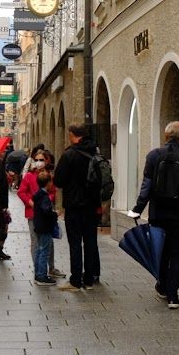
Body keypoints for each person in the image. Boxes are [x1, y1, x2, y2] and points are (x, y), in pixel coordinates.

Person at [131, 120, 179, 309]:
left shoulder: (153, 156)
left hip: (159, 213)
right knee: (177, 254)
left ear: (166, 135)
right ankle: (173, 296)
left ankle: (162, 286)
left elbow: (146, 186)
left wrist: (138, 209)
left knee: (161, 251)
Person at [52, 124, 103, 291]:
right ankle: (89, 279)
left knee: (75, 243)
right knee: (90, 242)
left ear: (72, 135)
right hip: (92, 205)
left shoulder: (69, 154)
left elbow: (58, 181)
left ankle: (75, 281)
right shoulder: (95, 152)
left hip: (74, 205)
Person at [16, 148, 57, 286]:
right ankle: (38, 270)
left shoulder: (49, 176)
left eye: (41, 160)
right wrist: (30, 202)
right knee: (36, 242)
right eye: (36, 160)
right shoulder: (29, 176)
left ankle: (50, 268)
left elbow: (53, 192)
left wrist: (47, 200)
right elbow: (21, 192)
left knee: (48, 242)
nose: (39, 162)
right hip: (32, 212)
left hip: (45, 213)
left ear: (46, 161)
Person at [29, 170, 61, 288]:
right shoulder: (44, 197)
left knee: (39, 250)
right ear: (48, 183)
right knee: (44, 252)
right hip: (45, 227)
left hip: (38, 226)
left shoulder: (37, 195)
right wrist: (55, 214)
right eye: (51, 181)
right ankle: (42, 276)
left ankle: (38, 274)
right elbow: (46, 211)